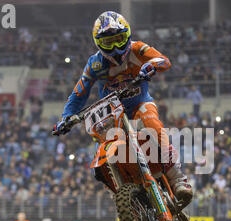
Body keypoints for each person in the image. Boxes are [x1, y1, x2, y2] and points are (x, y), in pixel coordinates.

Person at [52, 11, 192, 205]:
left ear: (127, 35)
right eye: (109, 43)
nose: (116, 48)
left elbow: (164, 60)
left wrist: (151, 66)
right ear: (99, 43)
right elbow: (79, 93)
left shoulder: (137, 48)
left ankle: (178, 179)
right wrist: (66, 118)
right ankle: (123, 194)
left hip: (140, 103)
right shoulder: (94, 64)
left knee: (152, 122)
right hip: (111, 113)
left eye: (119, 39)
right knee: (103, 149)